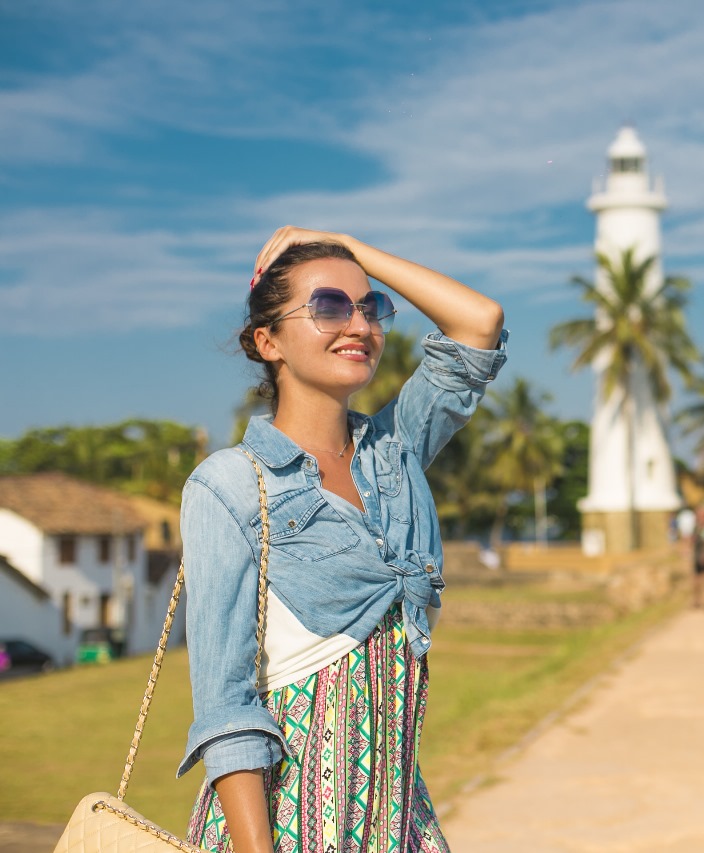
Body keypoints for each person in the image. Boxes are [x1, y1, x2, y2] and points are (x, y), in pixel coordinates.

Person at [179, 226, 506, 853]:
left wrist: (348, 247)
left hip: (399, 821)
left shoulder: (397, 453)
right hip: (285, 830)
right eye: (328, 306)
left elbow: (478, 324)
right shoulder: (227, 485)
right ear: (267, 340)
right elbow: (226, 708)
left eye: (370, 306)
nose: (358, 324)